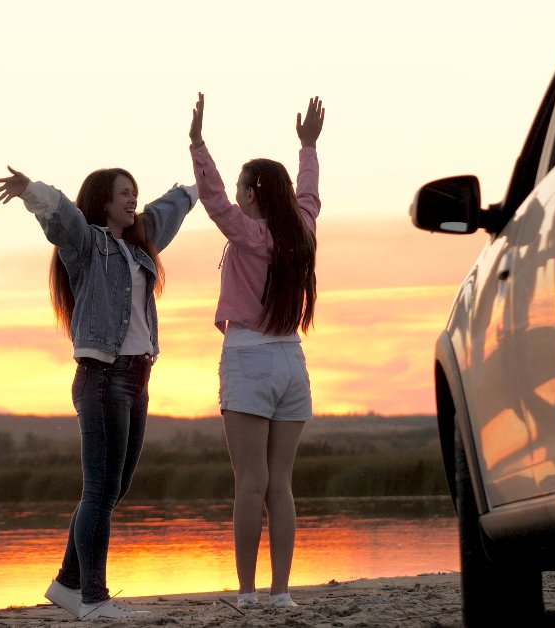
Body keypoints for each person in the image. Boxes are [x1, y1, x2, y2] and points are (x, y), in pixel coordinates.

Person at [0, 164, 198, 619]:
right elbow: (63, 216)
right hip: (103, 376)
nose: (132, 200)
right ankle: (93, 597)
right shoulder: (88, 245)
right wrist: (32, 191)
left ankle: (68, 584)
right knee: (100, 490)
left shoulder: (140, 245)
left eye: (135, 194)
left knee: (113, 488)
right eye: (124, 193)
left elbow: (169, 210)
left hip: (138, 378)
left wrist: (202, 184)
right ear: (103, 200)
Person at [187, 92, 323, 609]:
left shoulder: (249, 234)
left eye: (244, 188)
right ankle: (281, 593)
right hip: (292, 360)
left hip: (249, 358)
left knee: (250, 484)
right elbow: (308, 193)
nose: (237, 196)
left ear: (254, 194)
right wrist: (307, 146)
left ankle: (246, 593)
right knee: (280, 485)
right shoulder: (302, 229)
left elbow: (212, 198)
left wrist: (198, 143)